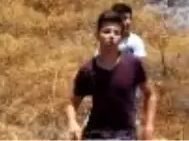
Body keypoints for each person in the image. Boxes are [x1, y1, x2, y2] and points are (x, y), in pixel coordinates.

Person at [67, 9, 157, 141]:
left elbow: (150, 95)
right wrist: (72, 122)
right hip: (95, 135)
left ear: (121, 37)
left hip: (125, 135)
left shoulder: (133, 64)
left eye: (116, 33)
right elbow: (71, 103)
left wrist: (149, 127)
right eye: (106, 31)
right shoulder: (88, 70)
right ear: (97, 35)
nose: (111, 36)